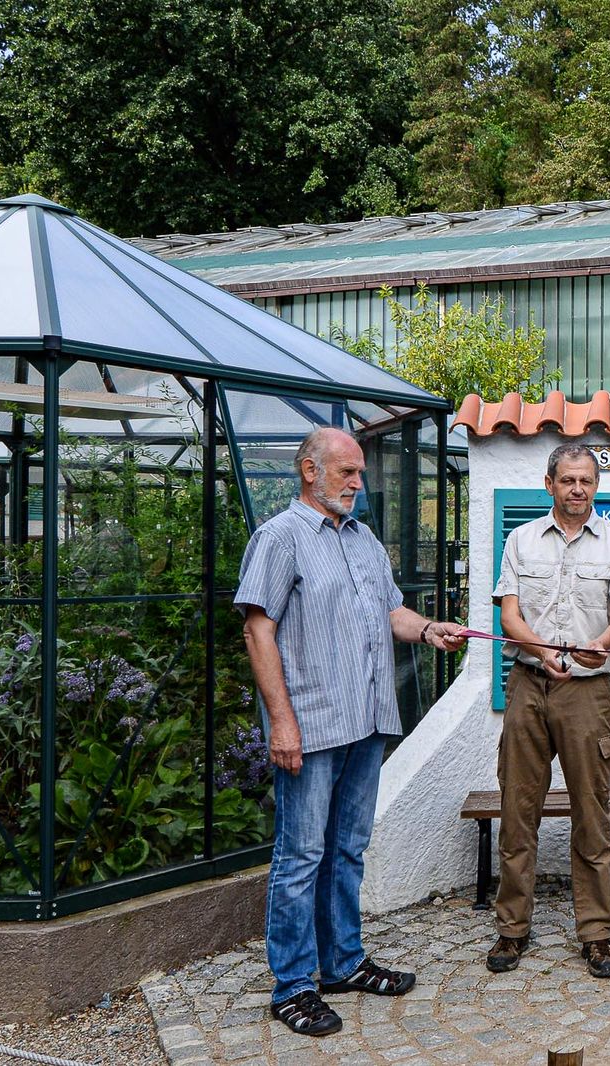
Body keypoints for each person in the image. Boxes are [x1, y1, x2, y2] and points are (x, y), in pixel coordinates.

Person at [236, 426, 468, 1037]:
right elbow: (258, 631)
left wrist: (427, 629)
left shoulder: (364, 541)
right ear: (309, 471)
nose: (358, 484)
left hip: (366, 721)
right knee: (300, 856)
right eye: (347, 472)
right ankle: (292, 985)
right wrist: (280, 721)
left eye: (360, 473)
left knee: (345, 850)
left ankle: (341, 963)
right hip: (309, 726)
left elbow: (391, 610)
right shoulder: (279, 537)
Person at [486, 444, 610, 979]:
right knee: (517, 813)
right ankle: (511, 930)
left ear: (596, 487)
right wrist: (543, 650)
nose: (579, 490)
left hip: (588, 691)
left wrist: (600, 642)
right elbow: (509, 614)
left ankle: (597, 935)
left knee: (591, 819)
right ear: (549, 482)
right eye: (569, 480)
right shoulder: (521, 540)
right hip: (529, 685)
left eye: (587, 481)